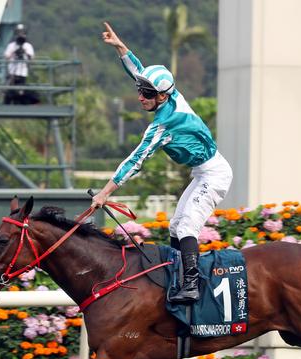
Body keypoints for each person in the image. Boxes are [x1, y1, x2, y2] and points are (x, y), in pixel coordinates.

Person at [91, 22, 233, 303]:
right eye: (139, 91)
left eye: (146, 94)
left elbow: (135, 160)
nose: (140, 97)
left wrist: (105, 193)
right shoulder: (169, 95)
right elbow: (138, 71)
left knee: (186, 228)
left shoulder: (164, 123)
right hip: (202, 173)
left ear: (162, 96)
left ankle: (191, 286)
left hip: (214, 175)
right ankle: (177, 277)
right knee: (174, 227)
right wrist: (120, 47)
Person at [3, 24, 37, 105]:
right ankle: (8, 104)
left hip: (23, 72)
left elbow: (32, 58)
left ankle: (21, 103)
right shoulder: (11, 45)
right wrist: (14, 52)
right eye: (19, 33)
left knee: (21, 91)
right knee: (11, 91)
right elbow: (6, 57)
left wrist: (25, 52)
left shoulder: (28, 46)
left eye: (22, 33)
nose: (20, 35)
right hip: (12, 72)